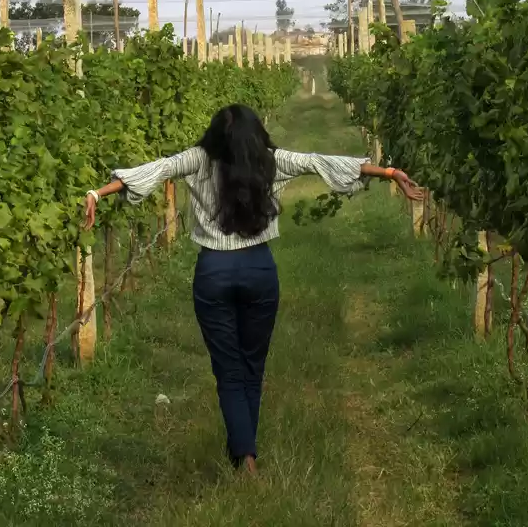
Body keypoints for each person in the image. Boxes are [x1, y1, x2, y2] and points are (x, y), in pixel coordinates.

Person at [82, 104, 422, 474]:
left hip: (213, 272)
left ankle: (244, 456)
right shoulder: (271, 161)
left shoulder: (198, 159)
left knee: (228, 370)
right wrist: (390, 172)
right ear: (256, 133)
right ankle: (245, 452)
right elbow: (320, 162)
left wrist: (99, 193)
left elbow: (157, 169)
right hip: (259, 270)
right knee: (251, 367)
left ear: (213, 134)